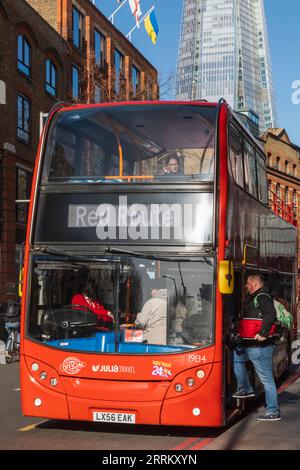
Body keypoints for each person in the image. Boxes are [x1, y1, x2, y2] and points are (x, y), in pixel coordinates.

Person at [232, 274, 282, 421]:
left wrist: (263, 333)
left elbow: (271, 314)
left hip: (260, 346)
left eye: (247, 283)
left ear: (254, 283)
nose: (246, 286)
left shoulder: (262, 296)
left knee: (266, 379)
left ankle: (273, 411)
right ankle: (245, 388)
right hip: (250, 345)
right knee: (236, 357)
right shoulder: (256, 297)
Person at [135, 279, 167, 345]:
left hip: (152, 339)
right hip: (167, 339)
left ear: (157, 289)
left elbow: (141, 322)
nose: (151, 293)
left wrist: (138, 316)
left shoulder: (152, 302)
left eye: (152, 290)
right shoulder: (171, 302)